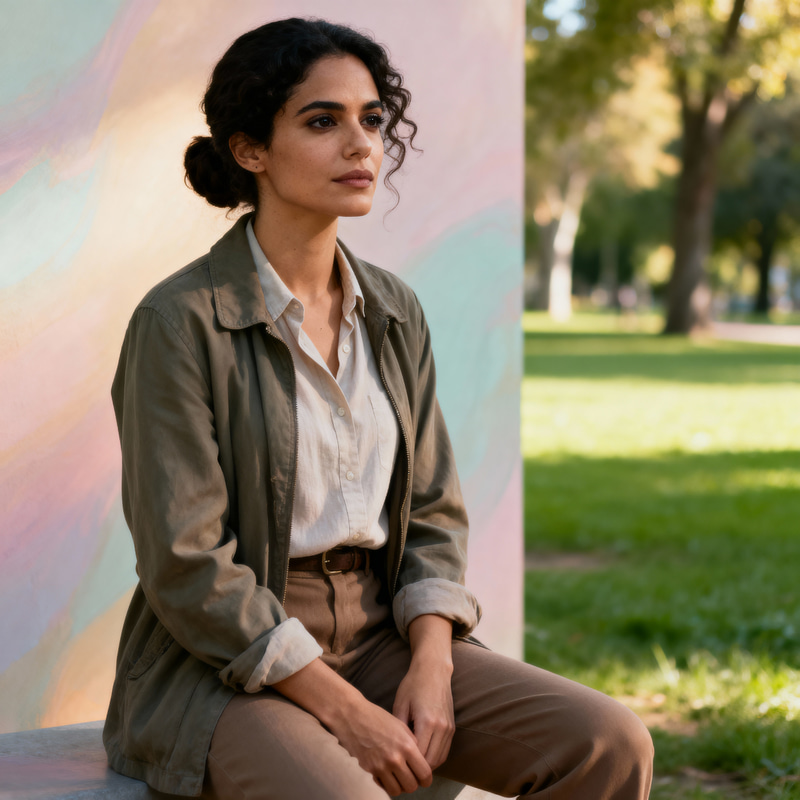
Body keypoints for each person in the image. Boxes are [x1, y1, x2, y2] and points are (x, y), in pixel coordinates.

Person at [103, 17, 653, 800]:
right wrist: (347, 711)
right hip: (224, 660)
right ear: (249, 149)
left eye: (371, 119)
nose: (362, 145)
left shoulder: (393, 309)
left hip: (384, 631)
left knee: (608, 743)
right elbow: (186, 564)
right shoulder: (179, 322)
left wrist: (432, 663)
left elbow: (432, 510)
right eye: (322, 121)